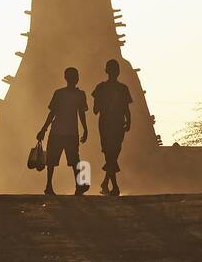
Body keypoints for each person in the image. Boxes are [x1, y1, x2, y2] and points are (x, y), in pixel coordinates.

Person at [37, 67, 90, 196]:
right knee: (71, 160)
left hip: (60, 132)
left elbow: (52, 113)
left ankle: (51, 186)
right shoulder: (76, 94)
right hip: (66, 132)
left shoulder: (61, 93)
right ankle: (76, 185)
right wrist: (85, 129)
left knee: (55, 161)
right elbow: (80, 114)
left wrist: (43, 129)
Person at [91, 59, 132, 196]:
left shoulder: (121, 88)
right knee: (110, 153)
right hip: (107, 124)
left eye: (116, 69)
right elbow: (96, 109)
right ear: (108, 71)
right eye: (113, 69)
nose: (115, 72)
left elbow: (126, 108)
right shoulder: (101, 88)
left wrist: (129, 120)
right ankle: (114, 186)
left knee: (113, 154)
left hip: (117, 123)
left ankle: (106, 183)